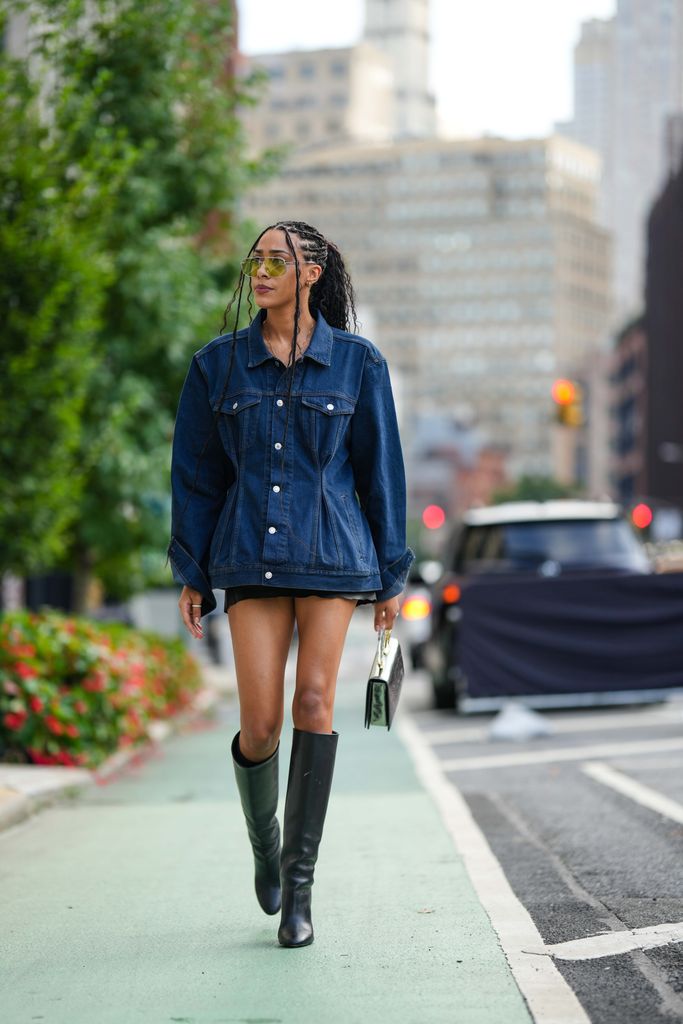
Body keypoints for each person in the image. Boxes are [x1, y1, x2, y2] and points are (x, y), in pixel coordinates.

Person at [168, 220, 413, 948]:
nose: (262, 271)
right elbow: (197, 476)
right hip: (247, 556)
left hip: (334, 557)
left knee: (313, 701)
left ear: (312, 272)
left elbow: (380, 472)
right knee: (260, 723)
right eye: (256, 260)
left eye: (278, 260)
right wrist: (192, 569)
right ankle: (265, 847)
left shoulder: (358, 364)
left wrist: (391, 575)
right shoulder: (218, 366)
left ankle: (300, 890)